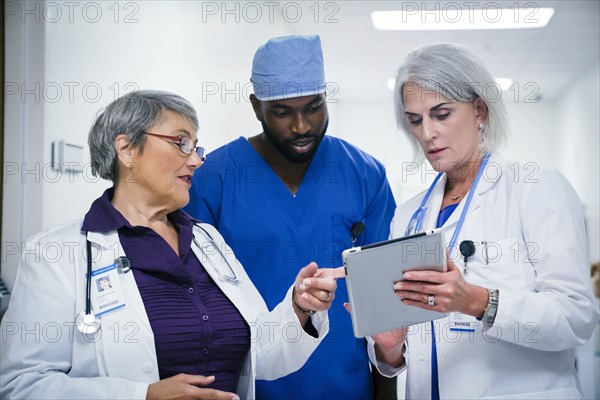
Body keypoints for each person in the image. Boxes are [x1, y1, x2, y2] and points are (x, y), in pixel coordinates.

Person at [0, 90, 342, 400]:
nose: (196, 160)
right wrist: (142, 396)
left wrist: (300, 308)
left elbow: (263, 357)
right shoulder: (55, 255)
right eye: (181, 143)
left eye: (196, 147)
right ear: (126, 149)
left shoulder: (208, 241)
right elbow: (22, 385)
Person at [365, 43, 599, 399]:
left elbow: (576, 318)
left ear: (479, 109)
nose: (427, 133)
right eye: (415, 120)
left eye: (441, 114)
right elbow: (404, 354)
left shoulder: (535, 187)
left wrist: (476, 301)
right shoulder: (408, 215)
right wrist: (391, 347)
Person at [184, 35, 397, 399]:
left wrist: (386, 393)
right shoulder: (213, 177)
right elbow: (194, 301)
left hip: (347, 385)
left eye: (314, 107)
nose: (301, 126)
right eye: (283, 112)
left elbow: (384, 303)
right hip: (249, 385)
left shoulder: (364, 174)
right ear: (256, 107)